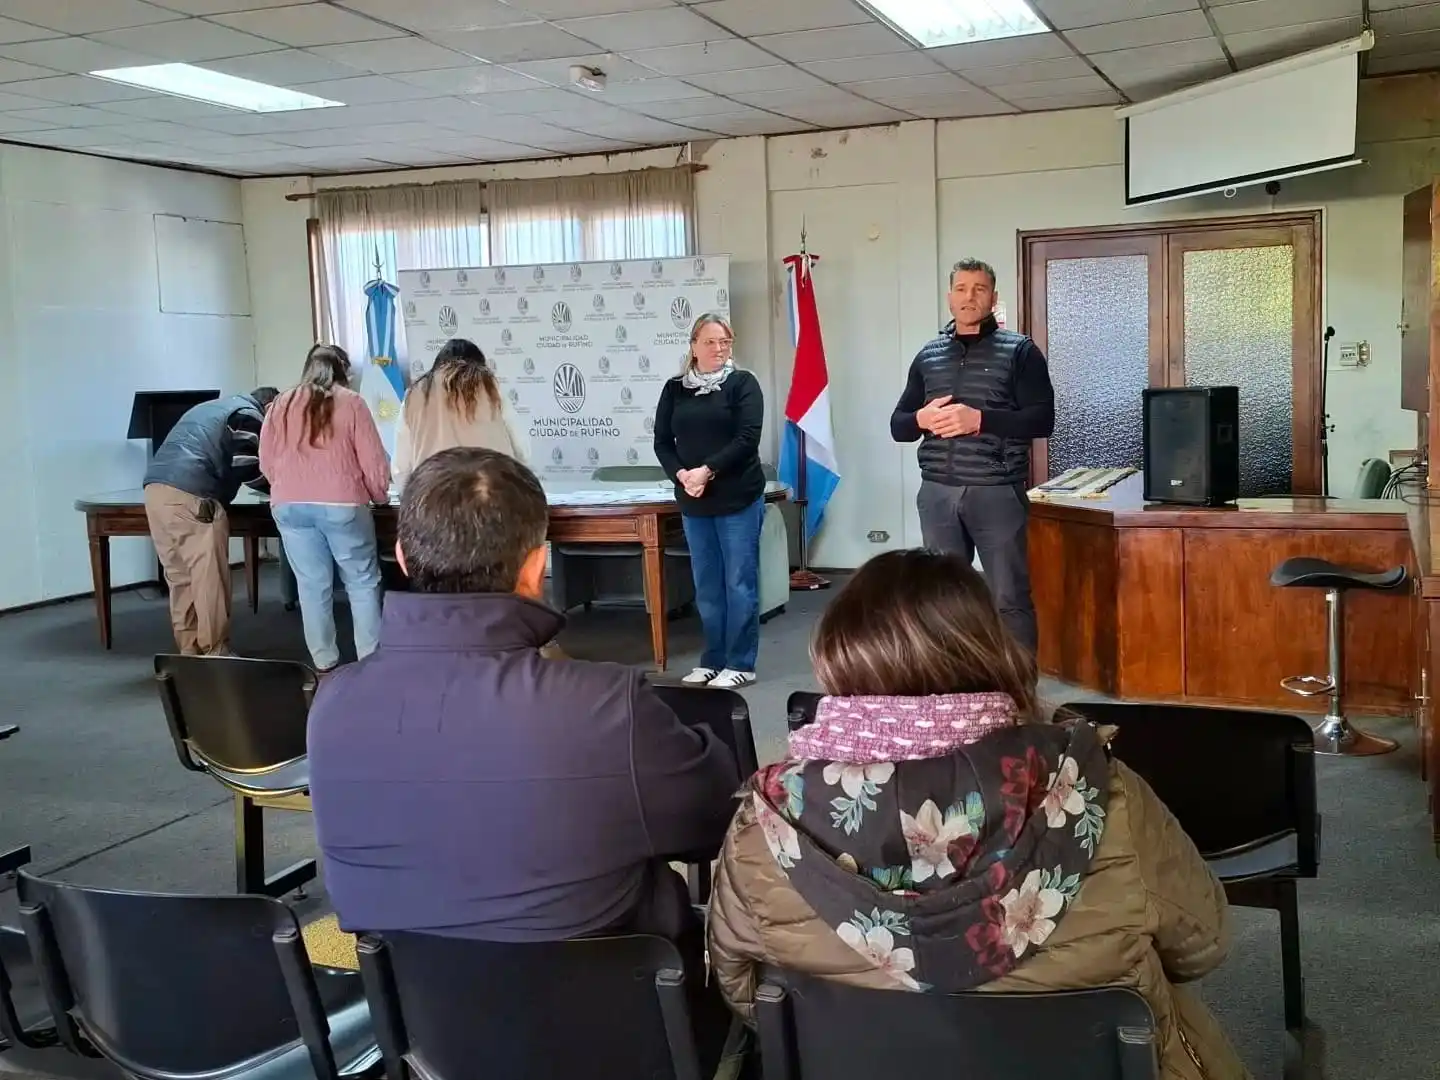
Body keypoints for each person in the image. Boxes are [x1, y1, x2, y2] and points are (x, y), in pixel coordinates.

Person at [707, 549, 1248, 1080]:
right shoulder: (1102, 791)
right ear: (991, 650)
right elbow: (1203, 945)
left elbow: (741, 988)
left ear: (835, 659)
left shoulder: (765, 821)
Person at [307, 447, 738, 949]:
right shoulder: (606, 706)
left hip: (414, 1016)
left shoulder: (332, 705)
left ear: (401, 557)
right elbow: (715, 822)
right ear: (536, 567)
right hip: (619, 1015)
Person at [890, 258, 1054, 654]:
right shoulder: (928, 355)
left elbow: (1042, 420)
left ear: (993, 298)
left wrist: (979, 420)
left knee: (1008, 598)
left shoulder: (1021, 352)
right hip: (937, 494)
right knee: (943, 601)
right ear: (949, 297)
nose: (969, 296)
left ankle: (1017, 697)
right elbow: (899, 426)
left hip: (995, 491)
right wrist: (922, 418)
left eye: (979, 289)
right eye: (961, 288)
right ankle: (953, 690)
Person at [259, 344, 390, 675]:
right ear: (344, 371)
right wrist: (379, 497)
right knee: (361, 581)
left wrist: (288, 487)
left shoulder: (280, 405)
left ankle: (324, 663)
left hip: (289, 505)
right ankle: (370, 661)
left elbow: (266, 462)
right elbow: (373, 462)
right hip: (343, 504)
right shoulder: (352, 402)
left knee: (312, 585)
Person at [653, 314, 766, 689]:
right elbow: (662, 442)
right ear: (694, 346)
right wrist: (682, 475)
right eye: (711, 342)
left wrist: (707, 471)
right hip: (693, 499)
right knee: (707, 585)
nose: (719, 349)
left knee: (738, 583)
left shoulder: (743, 384)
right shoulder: (674, 389)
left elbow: (747, 438)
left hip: (737, 498)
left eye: (725, 342)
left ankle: (741, 662)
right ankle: (713, 659)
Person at [142, 386, 279, 656]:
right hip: (195, 495)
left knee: (180, 579)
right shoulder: (248, 415)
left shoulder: (212, 408)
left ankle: (189, 652)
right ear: (270, 406)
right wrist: (282, 490)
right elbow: (247, 466)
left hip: (155, 491)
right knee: (208, 578)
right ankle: (216, 652)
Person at [391, 338, 528, 490]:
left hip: (434, 497)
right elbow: (522, 449)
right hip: (491, 492)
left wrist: (410, 498)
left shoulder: (414, 394)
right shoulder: (491, 386)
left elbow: (401, 469)